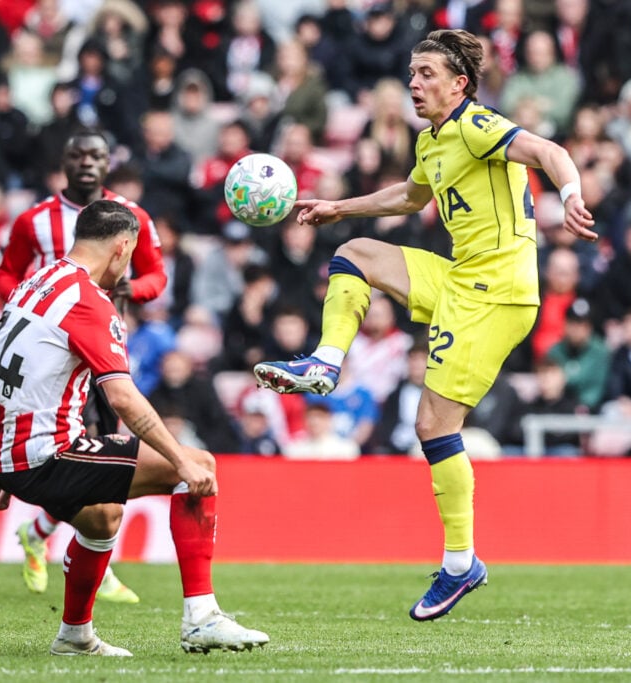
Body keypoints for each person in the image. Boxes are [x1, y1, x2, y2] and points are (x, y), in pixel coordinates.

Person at [253, 29, 597, 621]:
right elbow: (412, 198)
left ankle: (462, 563)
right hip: (462, 279)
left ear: (459, 84)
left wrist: (570, 194)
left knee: (432, 424)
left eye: (427, 74)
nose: (414, 84)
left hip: (499, 295)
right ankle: (324, 364)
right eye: (412, 73)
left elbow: (548, 151)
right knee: (355, 253)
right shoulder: (433, 140)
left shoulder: (475, 125)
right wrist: (340, 207)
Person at [0, 200, 267, 656]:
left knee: (102, 517)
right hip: (49, 455)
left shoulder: (34, 283)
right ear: (122, 247)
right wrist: (180, 462)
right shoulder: (91, 302)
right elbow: (124, 398)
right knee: (200, 462)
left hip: (7, 455)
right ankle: (202, 618)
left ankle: (74, 636)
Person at [0, 128, 166, 605]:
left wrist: (136, 290)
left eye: (97, 155)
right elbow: (7, 272)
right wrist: (32, 302)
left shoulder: (131, 217)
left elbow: (156, 273)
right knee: (80, 450)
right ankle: (91, 553)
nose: (87, 163)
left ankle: (62, 540)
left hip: (104, 349)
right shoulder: (34, 221)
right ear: (65, 161)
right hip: (53, 355)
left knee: (101, 453)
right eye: (78, 155)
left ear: (108, 163)